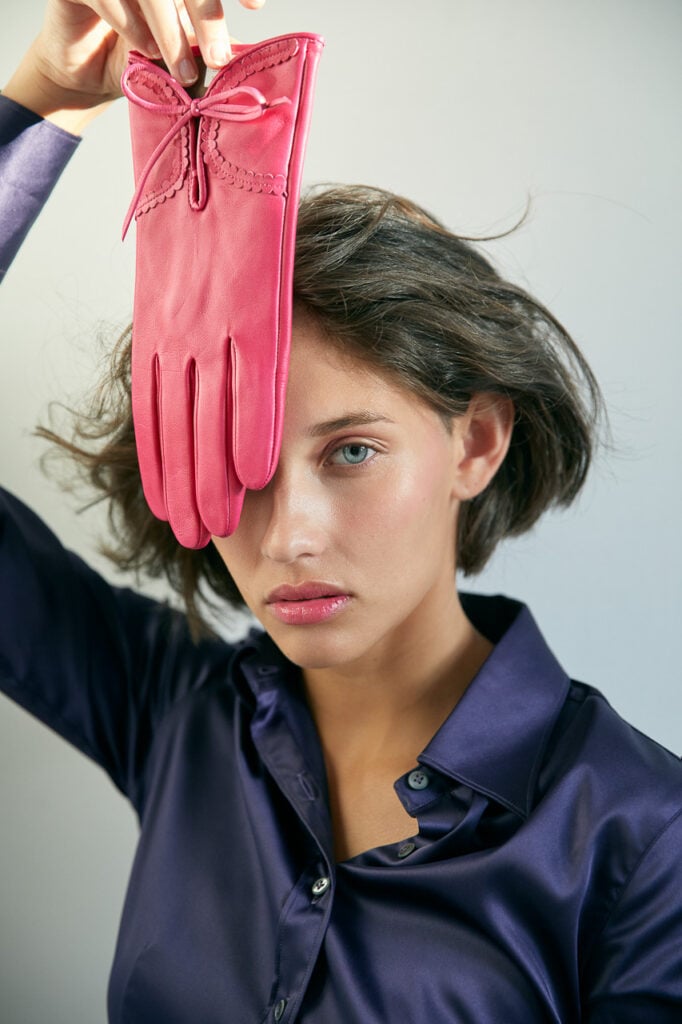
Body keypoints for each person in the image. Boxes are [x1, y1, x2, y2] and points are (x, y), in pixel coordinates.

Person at [2, 2, 682, 1022]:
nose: (289, 535)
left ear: (476, 442)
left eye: (351, 451)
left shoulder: (644, 840)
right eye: (237, 460)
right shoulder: (179, 715)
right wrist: (48, 99)